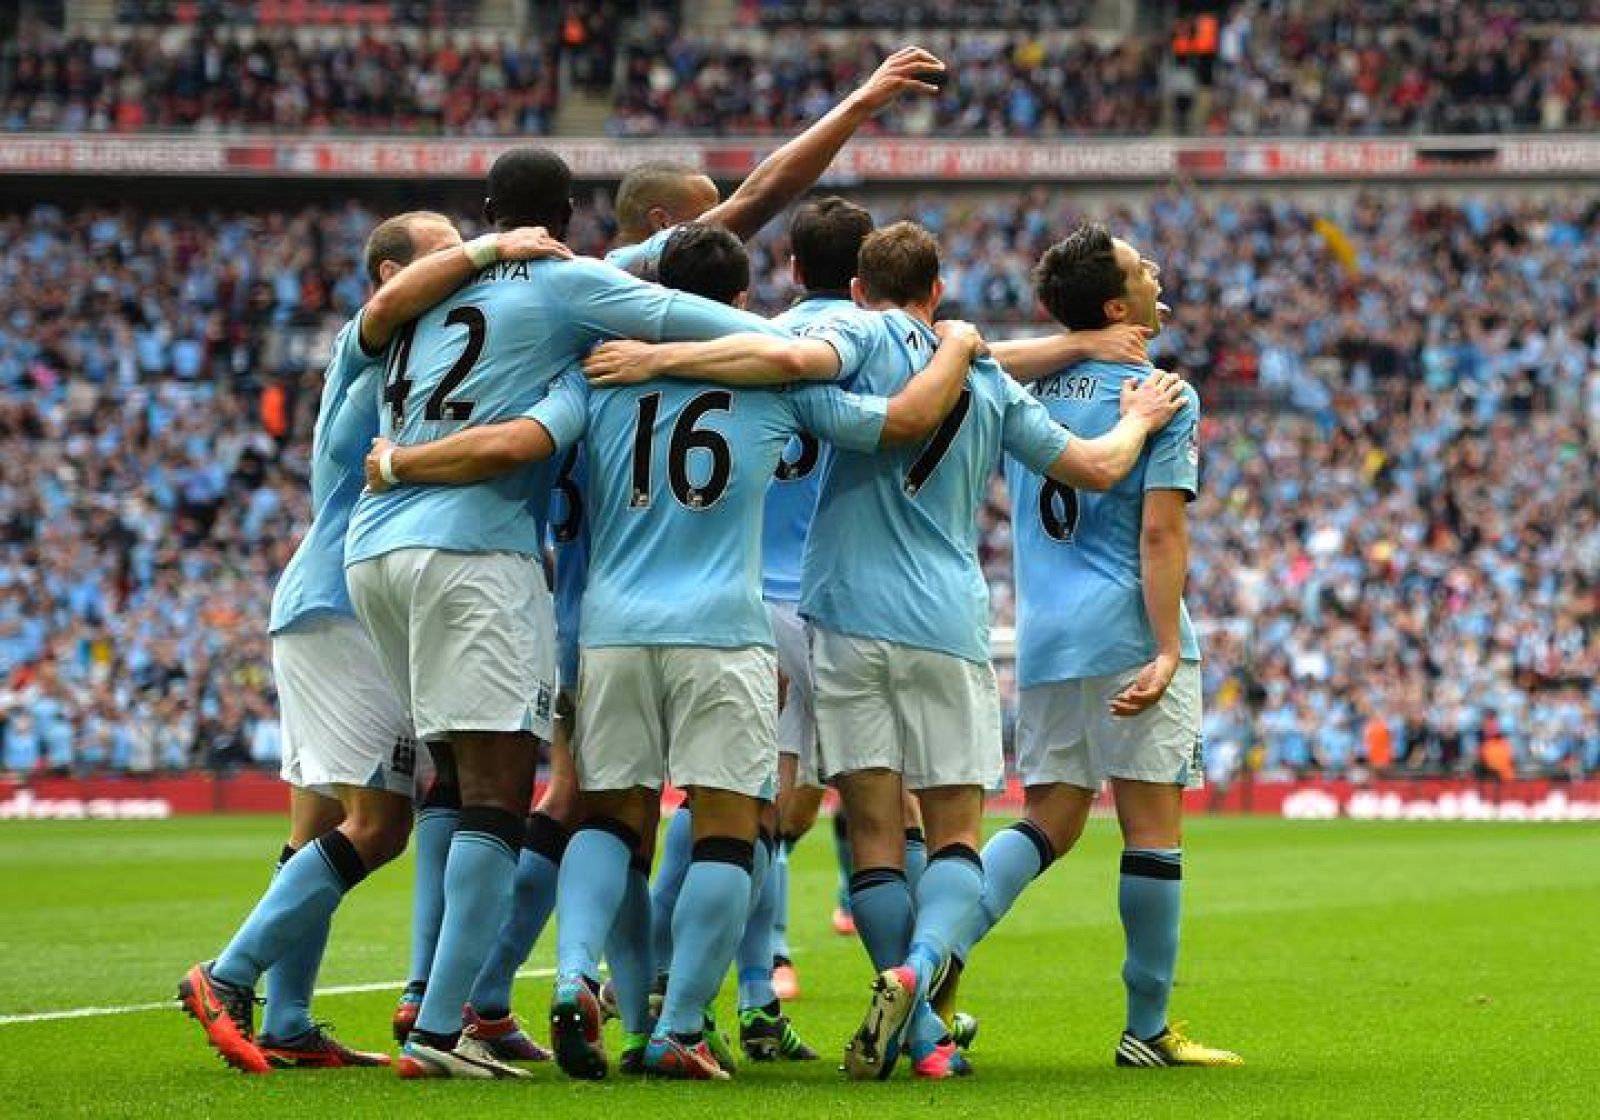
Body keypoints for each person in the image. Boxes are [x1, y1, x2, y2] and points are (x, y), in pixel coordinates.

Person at [367, 222, 982, 1080]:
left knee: (607, 817)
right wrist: (958, 347)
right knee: (732, 830)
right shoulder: (775, 385)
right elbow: (899, 422)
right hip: (722, 628)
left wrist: (401, 460)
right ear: (740, 300)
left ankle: (574, 973)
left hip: (611, 630)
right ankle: (682, 1024)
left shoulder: (594, 377)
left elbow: (522, 440)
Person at [581, 221, 1186, 1081]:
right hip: (945, 622)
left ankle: (909, 1025)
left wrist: (657, 358)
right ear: (936, 293)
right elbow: (1093, 466)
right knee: (951, 835)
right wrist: (1138, 421)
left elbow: (781, 361)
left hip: (841, 614)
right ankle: (920, 980)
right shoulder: (982, 375)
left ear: (857, 292)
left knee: (867, 833)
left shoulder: (846, 345)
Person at [342, 146, 807, 1081]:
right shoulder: (584, 296)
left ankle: (513, 986)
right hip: (592, 590)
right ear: (577, 216)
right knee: (582, 803)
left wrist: (397, 462)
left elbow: (387, 325)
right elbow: (777, 329)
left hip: (512, 583)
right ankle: (495, 1004)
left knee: (526, 797)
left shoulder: (438, 307)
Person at [176, 212, 570, 1075]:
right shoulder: (378, 352)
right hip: (349, 605)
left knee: (327, 821)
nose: (465, 269)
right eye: (445, 256)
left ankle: (287, 1020)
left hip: (332, 601)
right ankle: (228, 976)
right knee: (385, 822)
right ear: (394, 277)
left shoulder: (413, 354)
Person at [947, 223, 1242, 1069]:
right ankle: (1146, 1029)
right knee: (1152, 833)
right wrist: (1164, 649)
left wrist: (1071, 344)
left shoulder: (1021, 391)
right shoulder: (1163, 395)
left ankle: (928, 958)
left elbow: (961, 357)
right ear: (1118, 307)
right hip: (1126, 631)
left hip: (1047, 635)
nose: (1154, 267)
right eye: (1137, 265)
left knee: (1048, 817)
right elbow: (1161, 534)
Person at [605, 46, 945, 274]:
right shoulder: (619, 274)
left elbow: (753, 192)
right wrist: (860, 103)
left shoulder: (662, 289)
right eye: (707, 216)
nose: (727, 227)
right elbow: (761, 196)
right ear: (662, 223)